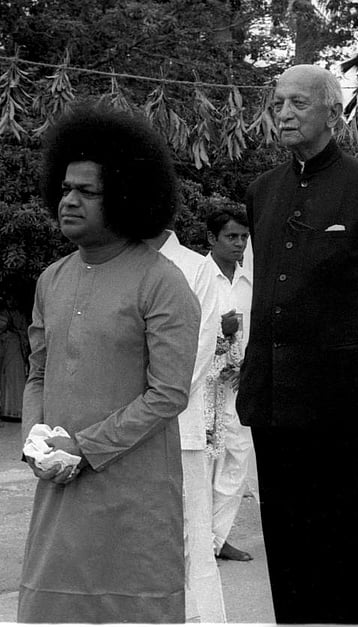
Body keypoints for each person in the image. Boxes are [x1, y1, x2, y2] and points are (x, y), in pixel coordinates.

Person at [235, 64, 358, 624]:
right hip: (272, 397)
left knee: (345, 535)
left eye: (298, 104)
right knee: (285, 536)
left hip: (339, 401)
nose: (284, 113)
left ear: (332, 113)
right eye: (279, 103)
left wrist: (355, 374)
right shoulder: (263, 190)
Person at [18, 106, 199, 623]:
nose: (69, 201)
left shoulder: (162, 282)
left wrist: (87, 447)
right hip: (58, 486)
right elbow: (38, 371)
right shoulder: (51, 279)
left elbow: (168, 393)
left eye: (87, 192)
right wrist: (36, 438)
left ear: (124, 197)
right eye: (66, 188)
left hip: (131, 493)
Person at [144, 222, 226, 622]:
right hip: (121, 435)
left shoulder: (196, 269)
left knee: (194, 542)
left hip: (179, 426)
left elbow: (197, 355)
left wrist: (142, 410)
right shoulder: (120, 264)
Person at [204, 205, 256, 561]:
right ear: (212, 238)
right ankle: (198, 542)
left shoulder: (250, 281)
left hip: (240, 385)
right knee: (205, 462)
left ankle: (217, 539)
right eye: (231, 237)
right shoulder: (196, 276)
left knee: (236, 460)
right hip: (203, 386)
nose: (239, 244)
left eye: (243, 237)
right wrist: (217, 349)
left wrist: (245, 366)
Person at [0, 300, 28, 422]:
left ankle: (16, 411)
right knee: (7, 381)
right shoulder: (4, 314)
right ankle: (7, 410)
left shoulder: (19, 315)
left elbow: (26, 333)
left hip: (16, 352)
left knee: (16, 380)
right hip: (7, 352)